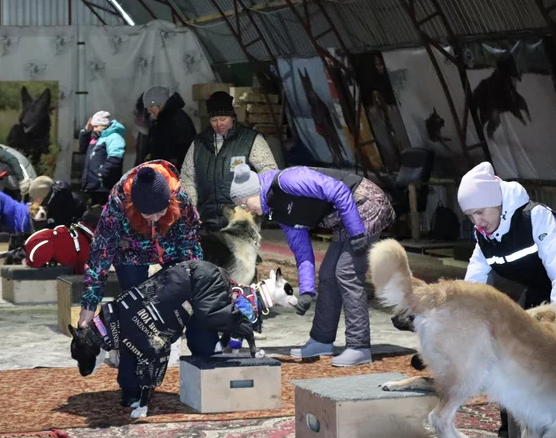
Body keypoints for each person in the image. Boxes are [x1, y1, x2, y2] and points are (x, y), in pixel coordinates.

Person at [230, 164, 396, 366]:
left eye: (244, 203)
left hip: (365, 204)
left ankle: (359, 347)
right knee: (327, 274)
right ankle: (322, 340)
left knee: (346, 273)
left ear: (253, 191)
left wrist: (357, 232)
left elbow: (338, 190)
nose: (245, 209)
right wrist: (307, 291)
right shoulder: (277, 211)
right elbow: (302, 251)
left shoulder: (288, 180)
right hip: (345, 218)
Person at [79, 160, 205, 405]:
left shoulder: (180, 196)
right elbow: (100, 254)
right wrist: (88, 305)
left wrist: (194, 280)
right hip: (130, 252)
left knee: (187, 304)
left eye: (160, 212)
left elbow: (191, 241)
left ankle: (202, 368)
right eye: (147, 214)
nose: (153, 219)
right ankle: (131, 385)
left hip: (172, 249)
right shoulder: (118, 203)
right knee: (132, 317)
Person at [458, 161, 556, 438]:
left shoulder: (535, 217)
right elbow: (473, 285)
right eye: (469, 215)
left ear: (497, 201)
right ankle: (510, 434)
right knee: (506, 355)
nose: (477, 221)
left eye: (480, 211)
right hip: (539, 292)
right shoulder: (484, 237)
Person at [181, 91, 278, 231]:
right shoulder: (198, 144)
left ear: (232, 116)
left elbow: (268, 172)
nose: (219, 124)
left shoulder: (251, 140)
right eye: (214, 120)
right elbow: (188, 178)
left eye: (223, 118)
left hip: (242, 221)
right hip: (206, 222)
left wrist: (256, 202)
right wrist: (190, 209)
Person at [143, 86, 196, 170]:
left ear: (160, 105)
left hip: (174, 175)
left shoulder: (176, 120)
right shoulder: (162, 121)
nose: (148, 111)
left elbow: (184, 151)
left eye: (150, 107)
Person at [79, 110, 126, 206]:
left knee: (104, 211)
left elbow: (115, 158)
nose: (94, 129)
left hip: (104, 186)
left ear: (104, 125)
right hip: (93, 185)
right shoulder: (96, 138)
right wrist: (85, 132)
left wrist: (102, 174)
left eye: (96, 126)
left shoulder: (114, 137)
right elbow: (83, 149)